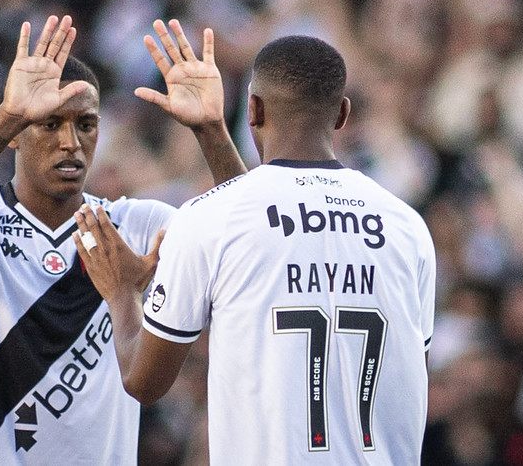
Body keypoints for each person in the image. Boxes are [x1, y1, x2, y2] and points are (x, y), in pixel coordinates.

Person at [0, 15, 245, 466]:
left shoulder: (134, 225)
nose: (71, 142)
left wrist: (212, 131)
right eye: (50, 123)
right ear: (16, 135)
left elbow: (251, 249)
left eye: (86, 124)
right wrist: (6, 117)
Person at [78, 33, 437, 464]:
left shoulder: (208, 218)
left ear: (253, 109)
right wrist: (211, 132)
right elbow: (411, 374)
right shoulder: (408, 227)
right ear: (342, 113)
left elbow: (144, 381)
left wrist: (121, 292)